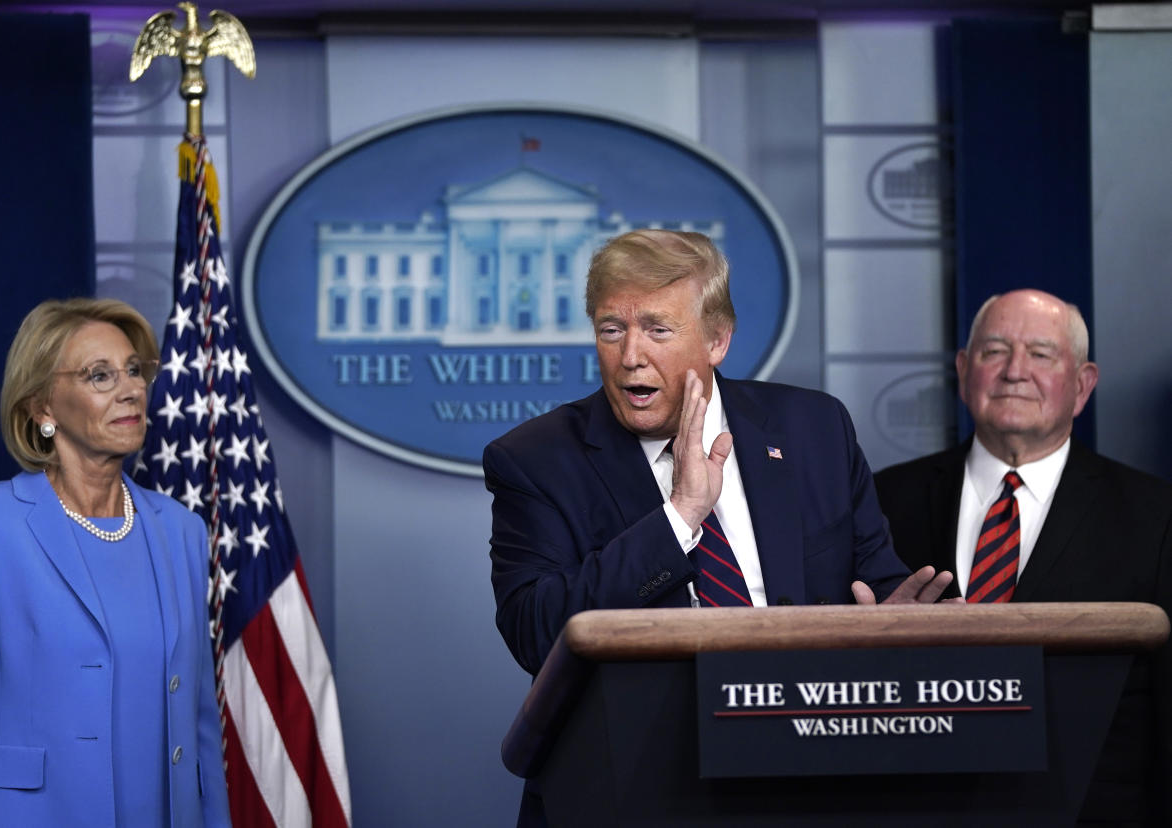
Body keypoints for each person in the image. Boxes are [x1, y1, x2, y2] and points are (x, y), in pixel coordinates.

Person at [486, 228, 953, 680]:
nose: (630, 356)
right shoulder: (538, 460)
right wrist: (680, 517)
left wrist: (894, 627)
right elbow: (535, 634)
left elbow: (876, 585)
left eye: (658, 330)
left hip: (809, 733)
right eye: (612, 330)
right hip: (648, 748)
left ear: (717, 341)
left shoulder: (814, 429)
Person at [874, 289, 1172, 825]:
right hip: (917, 806)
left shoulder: (1157, 516)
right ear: (965, 372)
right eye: (994, 352)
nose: (1015, 371)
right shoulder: (883, 500)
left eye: (1040, 354)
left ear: (1082, 386)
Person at [0, 298, 231, 827]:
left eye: (134, 371)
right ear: (42, 408)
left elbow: (200, 723)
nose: (130, 389)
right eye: (100, 375)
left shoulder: (182, 530)